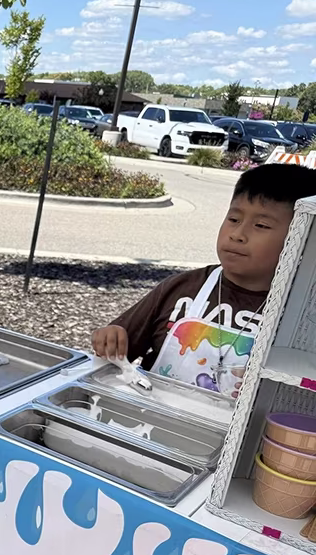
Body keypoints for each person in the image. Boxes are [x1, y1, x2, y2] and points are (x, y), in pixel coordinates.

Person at [91, 163, 316, 395]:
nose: (237, 235)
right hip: (150, 423)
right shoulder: (180, 289)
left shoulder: (302, 318)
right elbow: (115, 351)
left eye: (261, 225)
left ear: (304, 237)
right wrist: (110, 337)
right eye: (234, 219)